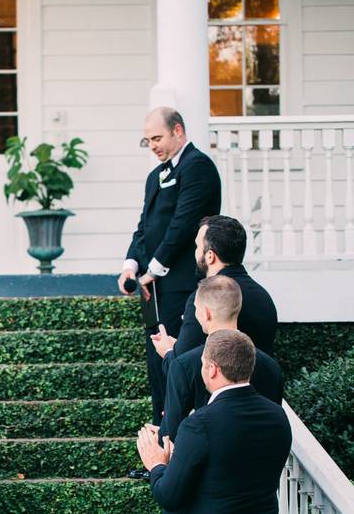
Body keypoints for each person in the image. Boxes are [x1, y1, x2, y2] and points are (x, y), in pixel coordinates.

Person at [136, 330, 291, 514]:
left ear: (212, 368)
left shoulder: (200, 423)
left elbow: (170, 495)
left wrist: (157, 465)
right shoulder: (276, 416)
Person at [118, 108, 221, 425]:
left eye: (157, 137)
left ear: (178, 130)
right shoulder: (155, 176)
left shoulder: (198, 167)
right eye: (147, 140)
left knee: (179, 362)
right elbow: (144, 227)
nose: (152, 145)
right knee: (156, 365)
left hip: (181, 285)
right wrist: (131, 264)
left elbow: (183, 225)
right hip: (152, 288)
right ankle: (159, 443)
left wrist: (155, 269)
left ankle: (178, 441)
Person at [159, 275, 283, 442]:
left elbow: (170, 434)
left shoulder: (184, 365)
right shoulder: (271, 366)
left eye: (196, 308)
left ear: (206, 313)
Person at [152, 215, 277, 368]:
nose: (196, 252)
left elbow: (183, 367)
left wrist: (168, 351)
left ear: (210, 256)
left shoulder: (205, 298)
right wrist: (178, 345)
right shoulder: (263, 296)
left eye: (198, 246)